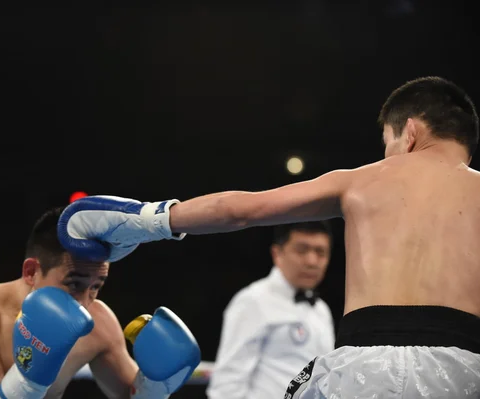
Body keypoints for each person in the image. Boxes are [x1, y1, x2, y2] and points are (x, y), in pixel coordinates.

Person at [57, 76, 480, 397]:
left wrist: (147, 221)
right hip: (464, 373)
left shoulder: (363, 179)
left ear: (408, 132)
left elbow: (241, 210)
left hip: (360, 371)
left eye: (386, 143)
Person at [0, 206, 201, 399]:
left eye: (96, 287)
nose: (85, 302)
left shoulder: (98, 322)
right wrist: (27, 380)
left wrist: (155, 386)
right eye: (74, 284)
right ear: (31, 272)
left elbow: (130, 395)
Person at [206, 222, 335, 399]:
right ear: (277, 253)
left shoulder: (322, 310)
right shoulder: (253, 301)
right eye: (302, 250)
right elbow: (227, 384)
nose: (312, 261)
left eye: (320, 253)